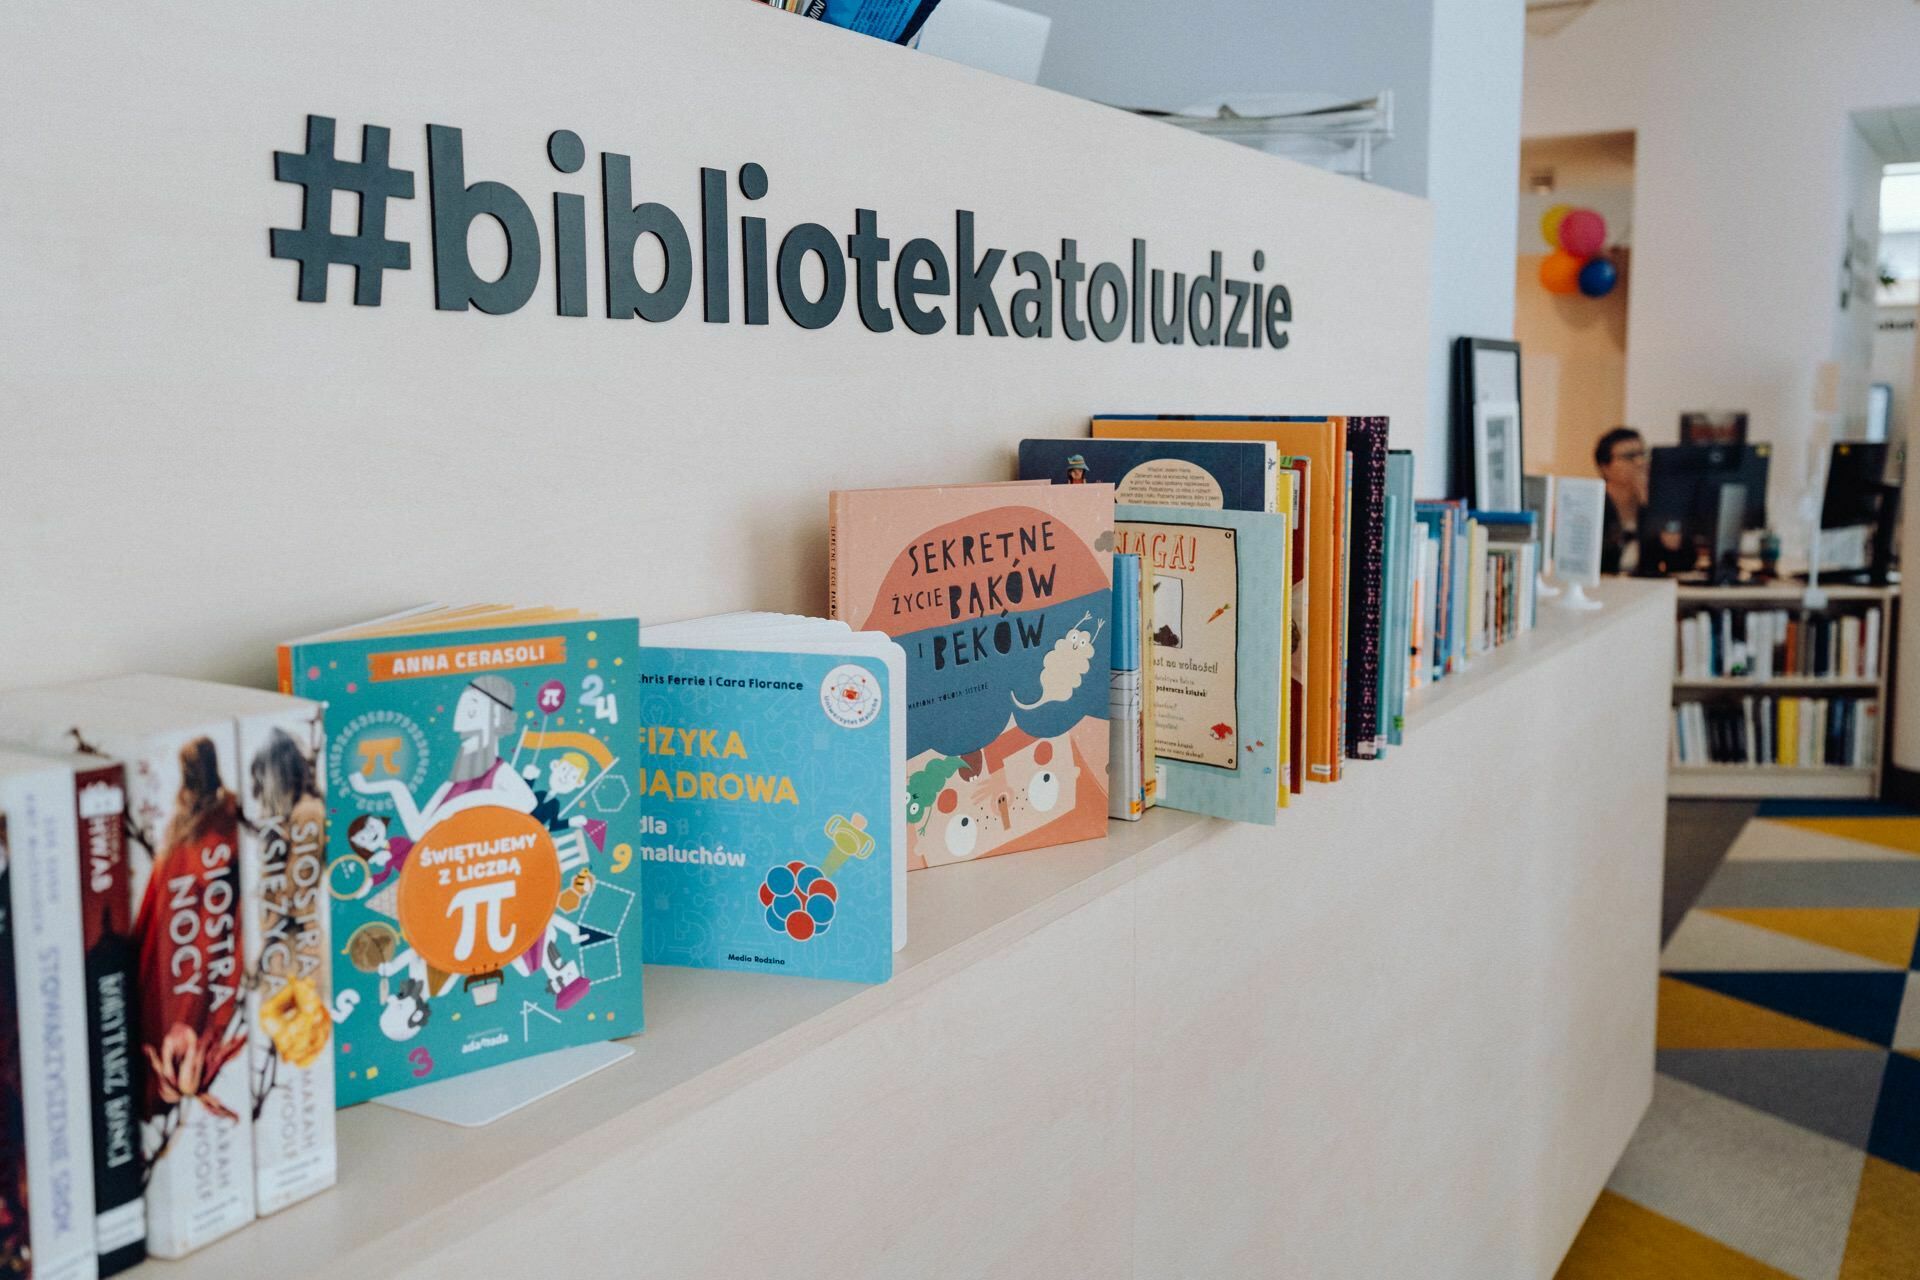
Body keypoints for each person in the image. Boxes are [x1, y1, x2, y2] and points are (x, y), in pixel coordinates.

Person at [1594, 426, 1648, 574]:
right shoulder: (1595, 509)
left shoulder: (1653, 506)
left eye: (1643, 454)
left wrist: (1648, 505)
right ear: (1605, 467)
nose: (1640, 462)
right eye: (1629, 457)